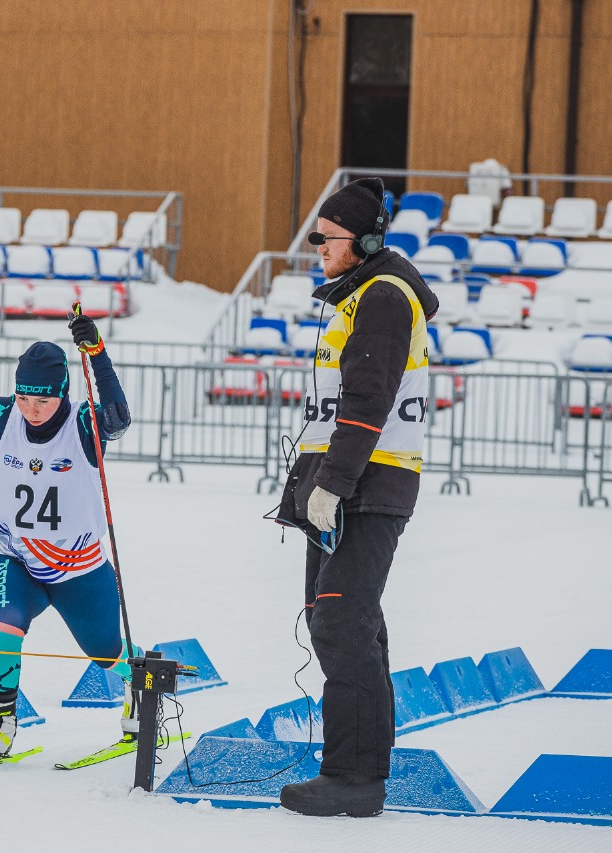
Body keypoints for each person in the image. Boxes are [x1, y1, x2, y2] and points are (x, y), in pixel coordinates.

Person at [275, 177, 439, 818]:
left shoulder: (384, 296)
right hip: (348, 484)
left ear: (366, 240)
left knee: (341, 622)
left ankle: (354, 778)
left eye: (328, 236)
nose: (316, 244)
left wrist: (332, 486)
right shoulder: (357, 296)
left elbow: (367, 405)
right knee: (349, 623)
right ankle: (362, 766)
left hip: (371, 485)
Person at [0, 309, 136, 758]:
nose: (31, 411)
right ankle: (1, 722)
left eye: (42, 401)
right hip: (17, 558)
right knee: (3, 628)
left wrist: (96, 352)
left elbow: (118, 418)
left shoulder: (82, 422)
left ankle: (142, 688)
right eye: (23, 398)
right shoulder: (3, 414)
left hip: (81, 567)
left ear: (62, 395)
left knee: (106, 654)